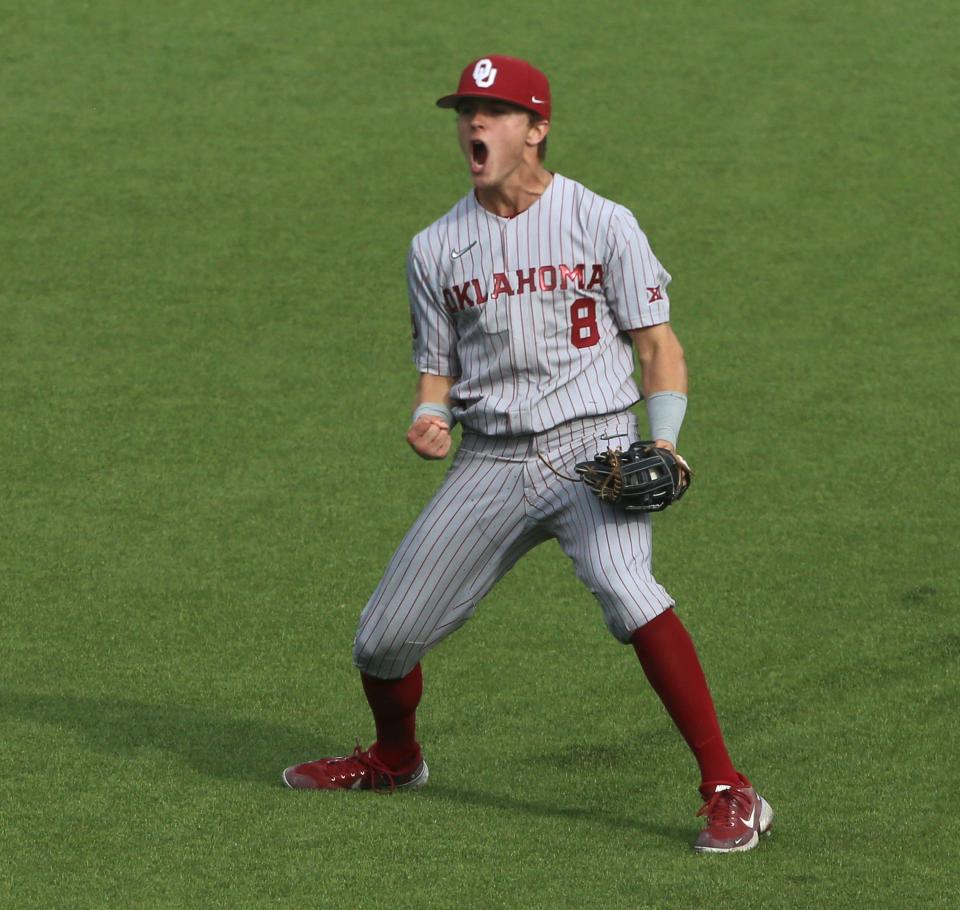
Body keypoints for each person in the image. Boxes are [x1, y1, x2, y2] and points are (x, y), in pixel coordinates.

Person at [284, 55, 773, 853]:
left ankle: (729, 787)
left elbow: (658, 346)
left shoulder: (601, 221)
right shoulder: (436, 248)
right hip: (491, 459)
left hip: (595, 444)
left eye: (499, 110)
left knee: (628, 589)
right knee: (381, 641)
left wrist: (664, 442)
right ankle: (396, 759)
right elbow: (436, 365)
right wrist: (430, 414)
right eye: (467, 110)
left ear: (537, 129)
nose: (476, 123)